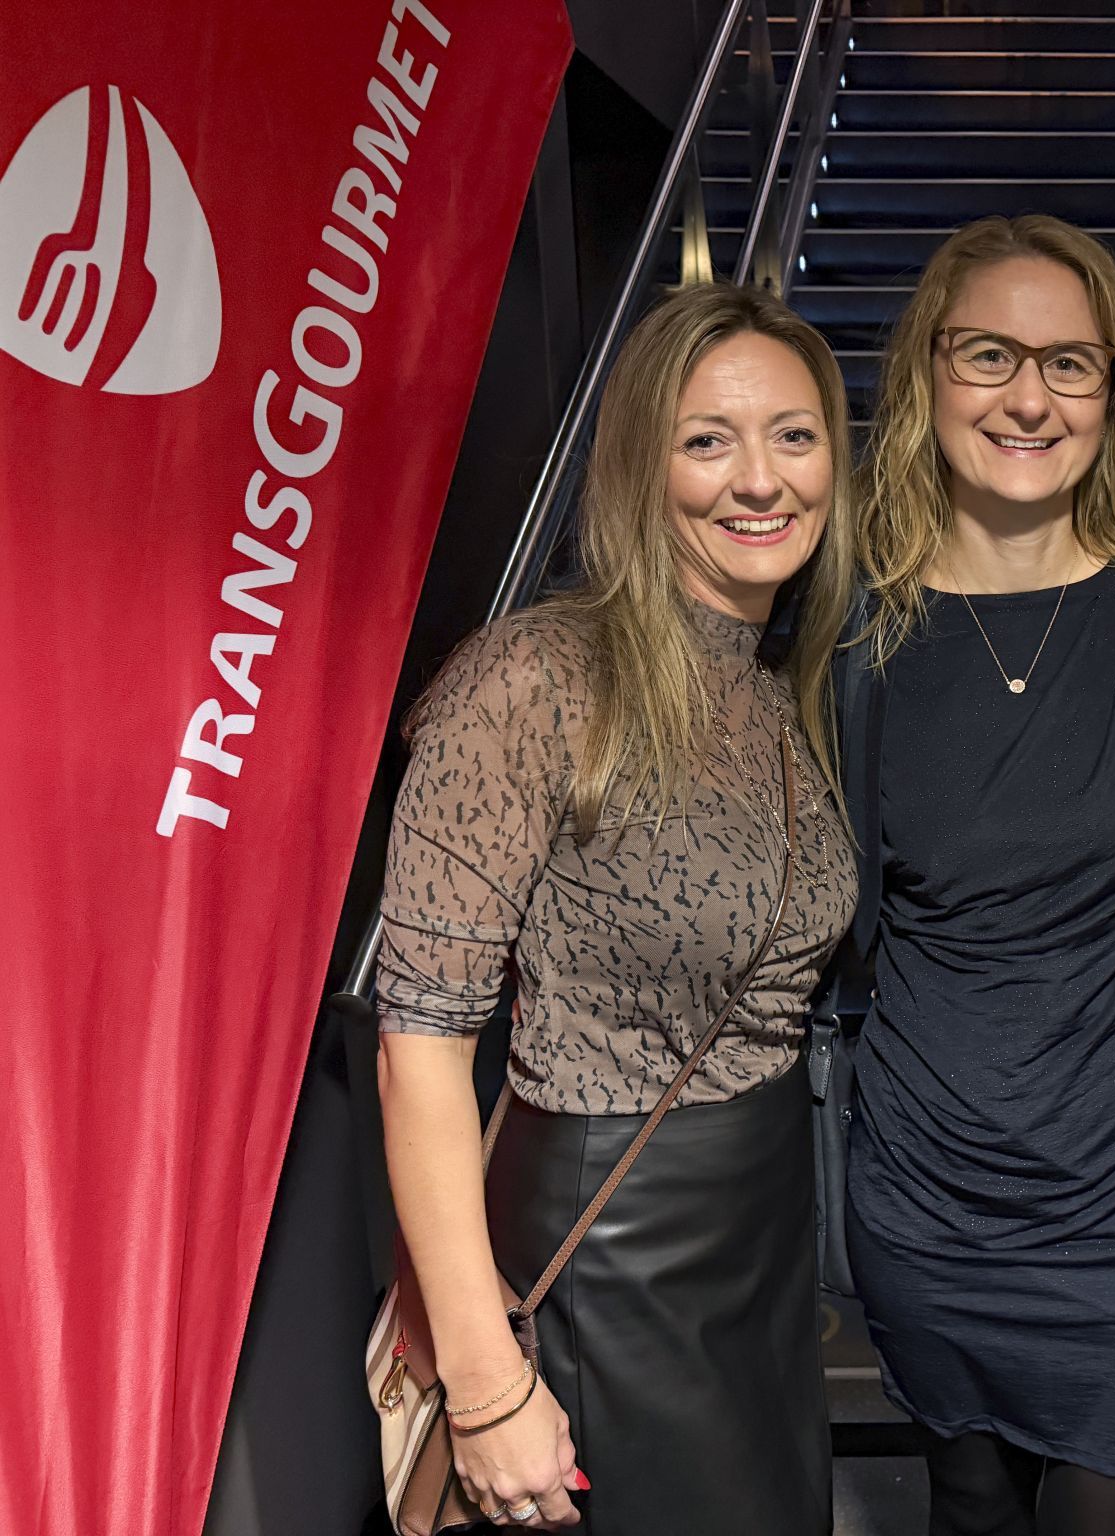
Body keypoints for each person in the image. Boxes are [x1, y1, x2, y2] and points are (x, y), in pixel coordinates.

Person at [374, 283, 858, 1534]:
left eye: (793, 436)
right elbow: (418, 1049)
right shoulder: (534, 681)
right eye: (707, 440)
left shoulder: (778, 683)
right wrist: (482, 1385)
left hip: (757, 1237)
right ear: (644, 465)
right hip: (608, 1247)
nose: (760, 480)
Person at [834, 214, 1115, 1536]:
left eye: (1071, 364)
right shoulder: (851, 626)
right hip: (931, 1187)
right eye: (990, 355)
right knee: (968, 1507)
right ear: (927, 376)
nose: (1028, 397)